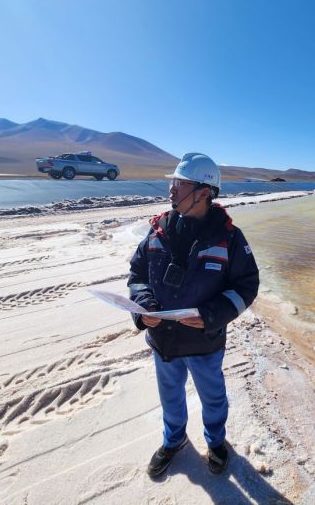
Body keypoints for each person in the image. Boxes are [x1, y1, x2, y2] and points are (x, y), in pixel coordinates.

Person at [127, 152, 259, 477]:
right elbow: (137, 273)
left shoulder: (229, 238)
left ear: (203, 192)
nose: (171, 189)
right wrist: (144, 308)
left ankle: (216, 443)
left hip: (205, 343)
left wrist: (212, 315)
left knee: (213, 400)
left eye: (180, 183)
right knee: (170, 398)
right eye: (172, 182)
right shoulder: (158, 230)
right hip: (164, 342)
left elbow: (247, 285)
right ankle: (174, 441)